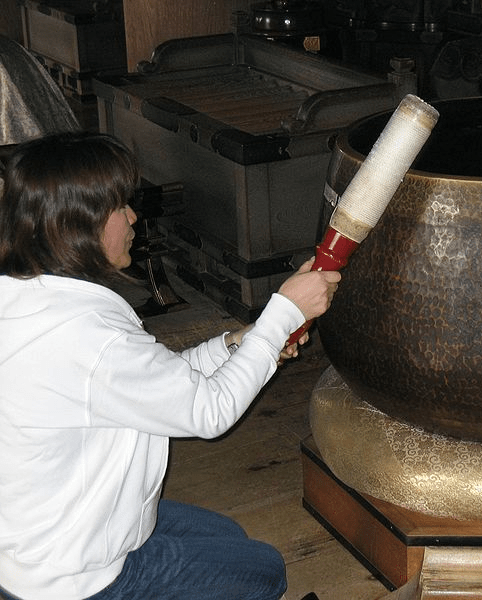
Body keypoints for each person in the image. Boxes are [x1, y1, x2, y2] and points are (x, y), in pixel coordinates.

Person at [0, 131, 341, 600]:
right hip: (73, 581)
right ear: (78, 225)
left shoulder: (33, 298)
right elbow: (208, 412)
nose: (133, 215)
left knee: (224, 536)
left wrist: (238, 344)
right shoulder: (86, 337)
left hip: (37, 541)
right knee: (264, 571)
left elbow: (154, 380)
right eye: (119, 205)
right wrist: (284, 311)